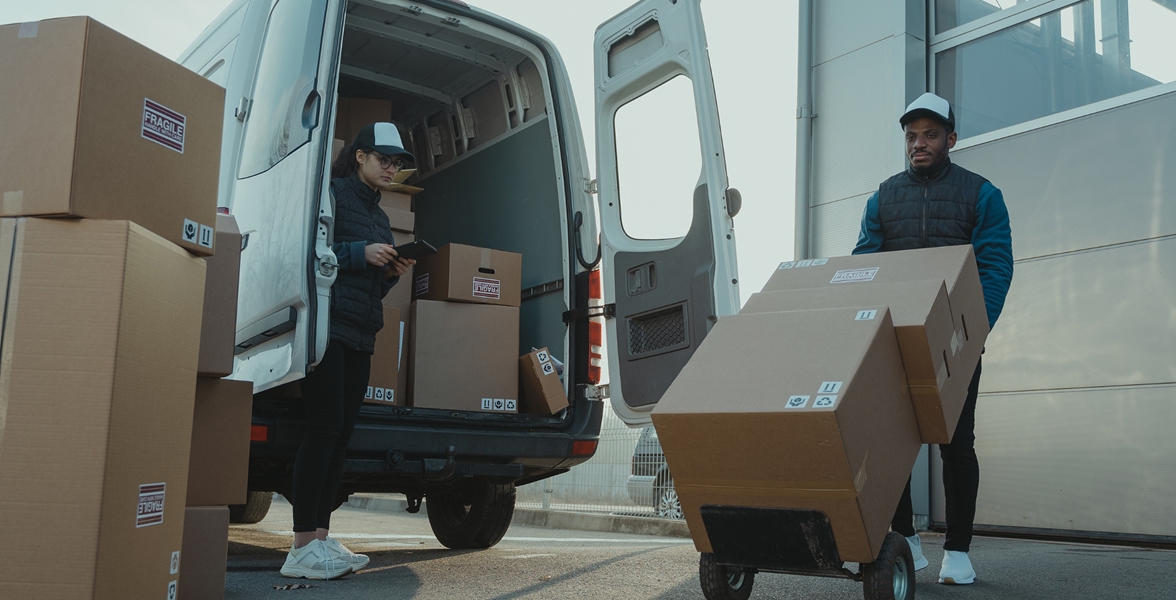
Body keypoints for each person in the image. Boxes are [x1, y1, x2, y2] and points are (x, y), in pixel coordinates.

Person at [853, 93, 1013, 585]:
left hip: (956, 345)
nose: (918, 144)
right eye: (911, 136)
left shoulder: (981, 194)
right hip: (893, 342)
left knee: (955, 443)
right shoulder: (883, 197)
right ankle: (908, 541)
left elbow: (995, 267)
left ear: (951, 139)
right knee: (892, 444)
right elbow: (864, 264)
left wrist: (973, 333)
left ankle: (959, 553)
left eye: (929, 135)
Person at [280, 122, 416, 580]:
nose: (391, 168)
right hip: (326, 327)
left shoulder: (380, 216)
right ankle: (300, 547)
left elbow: (370, 289)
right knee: (322, 430)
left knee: (340, 435)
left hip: (360, 332)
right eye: (384, 159)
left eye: (397, 163)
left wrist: (393, 269)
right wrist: (361, 253)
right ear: (360, 156)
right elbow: (306, 252)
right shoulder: (332, 194)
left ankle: (319, 538)